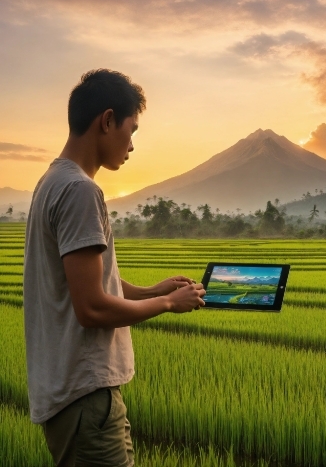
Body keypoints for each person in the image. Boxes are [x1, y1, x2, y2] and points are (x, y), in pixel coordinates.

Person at [23, 69, 206, 467]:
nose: (132, 145)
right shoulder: (80, 191)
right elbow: (92, 308)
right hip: (87, 397)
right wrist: (170, 304)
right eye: (132, 129)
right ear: (107, 121)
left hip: (68, 395)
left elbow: (86, 280)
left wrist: (151, 291)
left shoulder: (51, 182)